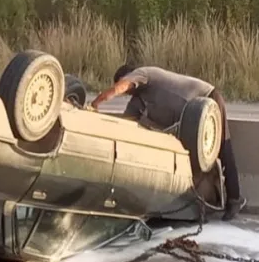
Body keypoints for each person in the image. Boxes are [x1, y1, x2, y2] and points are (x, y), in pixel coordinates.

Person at [91, 64, 246, 221]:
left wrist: (96, 102)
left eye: (128, 88)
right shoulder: (138, 102)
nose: (128, 93)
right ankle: (197, 207)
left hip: (207, 99)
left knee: (223, 148)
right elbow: (126, 125)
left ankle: (235, 199)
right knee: (191, 162)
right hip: (189, 119)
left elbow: (121, 87)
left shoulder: (144, 73)